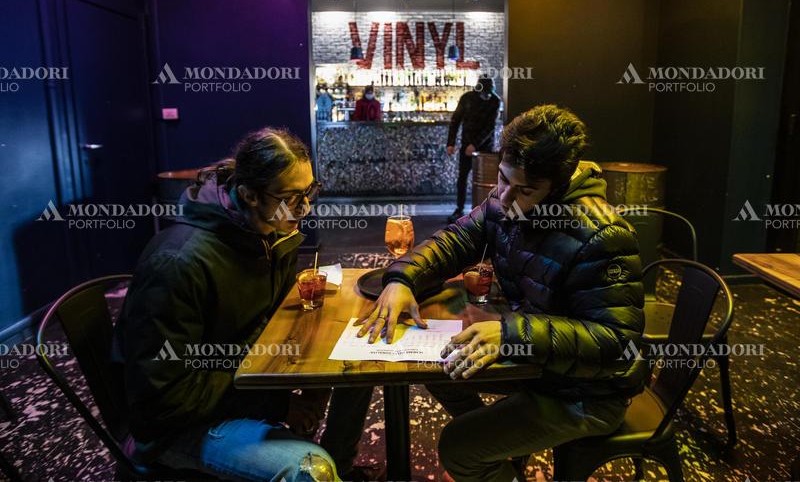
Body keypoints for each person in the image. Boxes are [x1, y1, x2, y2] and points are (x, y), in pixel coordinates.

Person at [355, 105, 647, 482]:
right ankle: (499, 457)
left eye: (524, 189)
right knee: (438, 367)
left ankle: (484, 456)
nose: (505, 197)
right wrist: (402, 279)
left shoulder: (603, 234)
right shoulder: (505, 202)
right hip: (541, 366)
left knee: (457, 448)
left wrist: (510, 334)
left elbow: (616, 342)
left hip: (587, 393)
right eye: (503, 179)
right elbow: (457, 239)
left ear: (559, 186)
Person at [112, 127, 369, 481]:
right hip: (175, 427)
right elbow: (163, 401)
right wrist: (280, 403)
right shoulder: (178, 263)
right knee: (310, 468)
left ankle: (343, 467)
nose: (306, 208)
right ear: (249, 194)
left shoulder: (268, 231)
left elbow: (268, 322)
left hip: (242, 380)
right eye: (292, 197)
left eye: (310, 192)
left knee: (358, 364)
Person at [446, 76, 501, 223]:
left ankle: (485, 211)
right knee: (462, 178)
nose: (487, 96)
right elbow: (455, 120)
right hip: (467, 145)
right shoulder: (467, 98)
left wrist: (474, 145)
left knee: (486, 182)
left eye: (489, 94)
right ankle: (459, 209)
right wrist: (450, 143)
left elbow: (490, 127)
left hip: (484, 148)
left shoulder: (495, 101)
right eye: (485, 93)